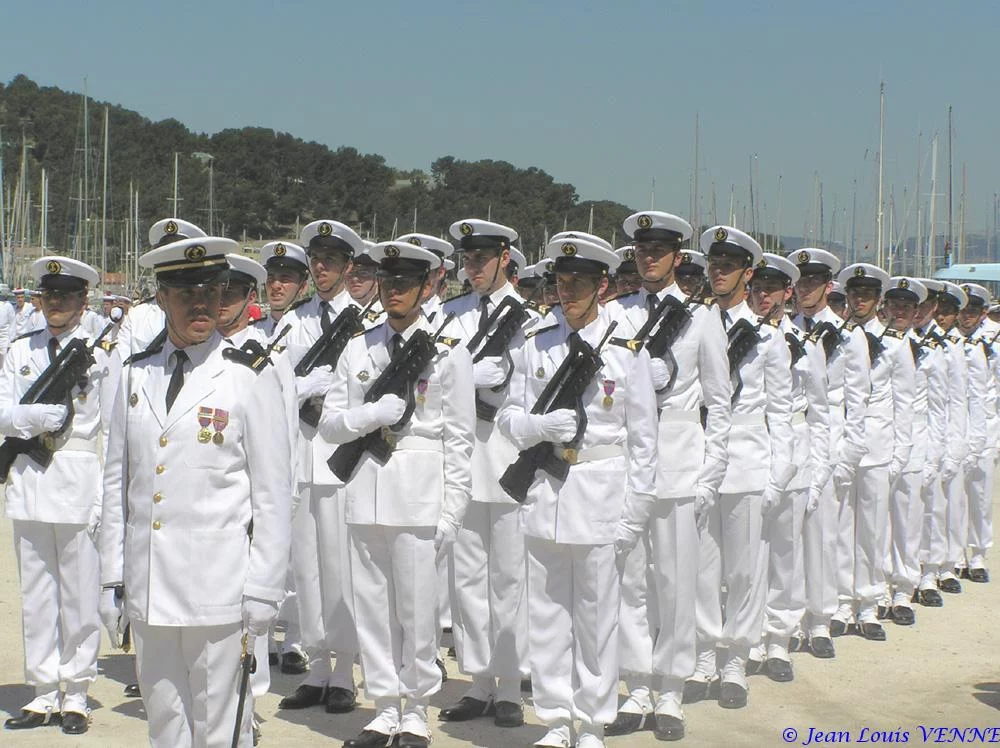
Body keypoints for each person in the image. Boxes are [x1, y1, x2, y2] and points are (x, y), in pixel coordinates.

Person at [99, 236, 292, 748]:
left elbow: (273, 497)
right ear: (161, 298)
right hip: (149, 584)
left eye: (212, 291)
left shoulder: (249, 377)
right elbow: (118, 482)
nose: (201, 303)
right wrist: (109, 577)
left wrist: (265, 588)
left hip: (219, 590)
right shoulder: (136, 373)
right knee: (164, 722)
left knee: (221, 724)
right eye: (187, 294)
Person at [498, 235, 657, 748]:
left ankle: (591, 720)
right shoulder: (535, 342)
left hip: (601, 493)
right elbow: (508, 416)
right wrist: (537, 428)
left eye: (579, 283)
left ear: (602, 286)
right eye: (560, 282)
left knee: (596, 617)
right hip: (546, 490)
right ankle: (556, 718)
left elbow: (644, 440)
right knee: (546, 616)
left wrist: (636, 513)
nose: (566, 292)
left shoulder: (627, 349)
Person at [319, 240, 475, 748]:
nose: (394, 293)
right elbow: (330, 423)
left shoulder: (449, 353)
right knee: (373, 609)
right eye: (388, 284)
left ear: (426, 286)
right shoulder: (357, 347)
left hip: (420, 497)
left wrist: (453, 509)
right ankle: (385, 708)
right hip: (365, 491)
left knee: (416, 613)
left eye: (405, 284)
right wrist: (369, 415)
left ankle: (417, 710)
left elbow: (460, 438)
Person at [603, 211, 731, 740]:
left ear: (678, 258)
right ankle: (635, 685)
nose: (648, 258)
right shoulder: (616, 314)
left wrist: (710, 476)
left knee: (675, 582)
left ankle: (672, 689)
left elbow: (720, 403)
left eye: (658, 251)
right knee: (627, 581)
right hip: (625, 465)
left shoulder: (701, 319)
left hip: (679, 462)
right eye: (641, 250)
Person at [1, 256, 120, 735]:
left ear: (83, 301)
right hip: (29, 480)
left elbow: (111, 432)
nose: (57, 304)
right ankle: (43, 690)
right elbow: (2, 412)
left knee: (78, 596)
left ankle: (76, 691)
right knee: (37, 595)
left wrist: (102, 501)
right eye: (49, 296)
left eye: (67, 297)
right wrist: (32, 419)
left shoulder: (101, 355)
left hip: (78, 481)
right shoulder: (19, 350)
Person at [687, 226, 794, 709]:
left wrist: (779, 475)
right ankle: (705, 655)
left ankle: (736, 661)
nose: (719, 273)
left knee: (745, 572)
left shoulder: (769, 338)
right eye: (715, 265)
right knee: (703, 569)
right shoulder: (691, 322)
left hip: (748, 460)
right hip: (700, 459)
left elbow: (783, 412)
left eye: (728, 266)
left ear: (747, 275)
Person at [436, 219, 531, 729]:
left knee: (511, 577)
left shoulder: (530, 319)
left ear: (505, 258)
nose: (471, 269)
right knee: (466, 576)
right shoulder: (449, 314)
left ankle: (513, 683)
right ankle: (478, 680)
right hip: (461, 454)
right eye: (465, 260)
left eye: (480, 260)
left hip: (508, 454)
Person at [279, 220, 372, 713]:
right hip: (300, 454)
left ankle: (344, 671)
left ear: (348, 267)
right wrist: (303, 387)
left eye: (330, 262)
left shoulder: (364, 323)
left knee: (341, 569)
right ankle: (316, 667)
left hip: (340, 460)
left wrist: (325, 391)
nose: (320, 269)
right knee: (307, 567)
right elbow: (277, 382)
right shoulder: (295, 321)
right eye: (315, 261)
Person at [747, 252, 830, 683]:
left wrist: (817, 474)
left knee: (784, 553)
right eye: (758, 288)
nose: (763, 296)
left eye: (772, 290)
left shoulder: (805, 343)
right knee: (744, 556)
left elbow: (820, 413)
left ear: (787, 293)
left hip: (791, 454)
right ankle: (747, 637)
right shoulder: (739, 334)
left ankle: (778, 639)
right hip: (747, 451)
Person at [791, 248, 870, 658]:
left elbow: (858, 400)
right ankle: (788, 619)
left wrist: (848, 456)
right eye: (801, 281)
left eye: (813, 282)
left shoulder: (848, 334)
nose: (806, 289)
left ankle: (820, 619)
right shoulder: (784, 328)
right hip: (793, 438)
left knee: (823, 537)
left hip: (830, 441)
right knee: (787, 539)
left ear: (827, 286)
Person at [833, 263, 915, 641]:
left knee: (872, 530)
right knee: (841, 527)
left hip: (878, 447)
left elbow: (905, 402)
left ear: (878, 300)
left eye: (867, 295)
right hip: (842, 445)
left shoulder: (896, 343)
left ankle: (868, 603)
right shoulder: (835, 335)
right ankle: (841, 602)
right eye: (854, 294)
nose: (860, 301)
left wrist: (901, 454)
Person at [931, 283, 975, 595]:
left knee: (950, 503)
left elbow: (961, 399)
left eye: (948, 311)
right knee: (926, 508)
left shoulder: (955, 346)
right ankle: (929, 566)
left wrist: (959, 443)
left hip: (950, 431)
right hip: (925, 434)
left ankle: (948, 563)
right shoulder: (921, 341)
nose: (942, 315)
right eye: (939, 308)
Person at [909, 280, 950, 607]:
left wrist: (938, 452)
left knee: (931, 508)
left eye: (924, 306)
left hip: (926, 434)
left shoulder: (939, 347)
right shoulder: (890, 341)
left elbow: (943, 406)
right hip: (896, 437)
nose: (919, 312)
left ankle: (929, 573)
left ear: (933, 307)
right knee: (901, 517)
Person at [117, 219, 207, 357]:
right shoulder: (137, 317)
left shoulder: (206, 312)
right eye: (164, 258)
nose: (173, 268)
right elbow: (122, 366)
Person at [956, 283, 996, 583]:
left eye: (973, 310)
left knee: (980, 493)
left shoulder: (994, 339)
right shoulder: (948, 339)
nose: (966, 316)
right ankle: (955, 552)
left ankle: (979, 553)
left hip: (986, 425)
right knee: (954, 493)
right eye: (963, 310)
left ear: (983, 313)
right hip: (956, 426)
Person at [257, 241, 310, 340]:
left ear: (303, 287)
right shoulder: (253, 331)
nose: (275, 285)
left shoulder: (311, 332)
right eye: (270, 278)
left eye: (285, 279)